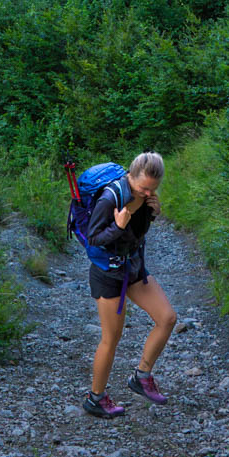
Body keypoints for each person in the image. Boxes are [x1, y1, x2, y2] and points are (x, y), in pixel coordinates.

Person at [82, 150, 177, 419]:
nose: (148, 193)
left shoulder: (145, 197)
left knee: (167, 318)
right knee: (111, 340)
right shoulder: (110, 197)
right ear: (130, 176)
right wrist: (118, 225)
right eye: (143, 188)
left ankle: (142, 376)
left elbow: (137, 233)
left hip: (133, 268)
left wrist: (152, 214)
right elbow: (94, 239)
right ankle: (95, 398)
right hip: (108, 275)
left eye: (153, 189)